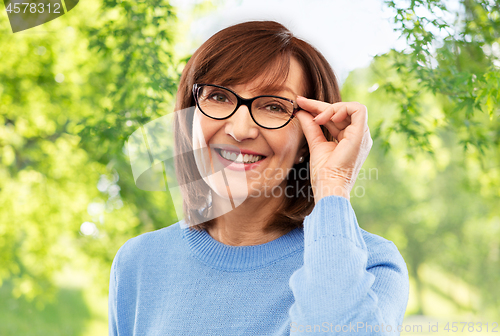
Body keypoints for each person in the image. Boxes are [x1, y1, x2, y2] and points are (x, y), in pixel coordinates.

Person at [109, 20, 409, 335]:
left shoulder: (371, 265)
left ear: (309, 139)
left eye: (274, 106)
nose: (240, 130)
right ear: (189, 118)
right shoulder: (139, 263)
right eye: (219, 97)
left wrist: (332, 184)